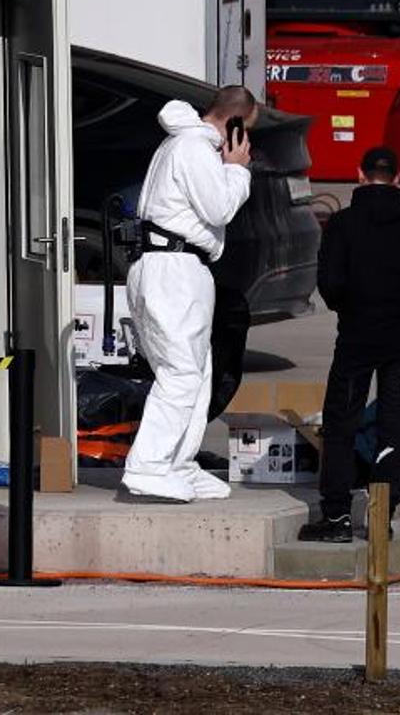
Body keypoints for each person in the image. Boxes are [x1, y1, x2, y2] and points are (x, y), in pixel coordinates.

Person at [298, 147, 400, 543]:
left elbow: (329, 281)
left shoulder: (344, 224)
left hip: (355, 335)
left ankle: (336, 515)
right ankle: (383, 513)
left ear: (360, 175)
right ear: (397, 177)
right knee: (393, 421)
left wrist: (350, 304)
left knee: (341, 423)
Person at [120, 86, 257, 502]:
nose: (247, 142)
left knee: (197, 373)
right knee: (180, 373)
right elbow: (218, 209)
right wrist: (237, 169)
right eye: (247, 131)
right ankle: (148, 466)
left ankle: (179, 462)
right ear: (234, 124)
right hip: (173, 267)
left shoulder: (182, 143)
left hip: (175, 266)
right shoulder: (195, 147)